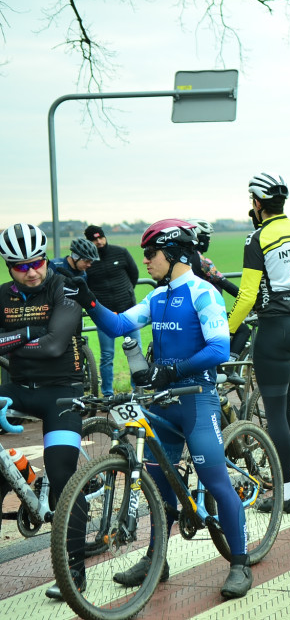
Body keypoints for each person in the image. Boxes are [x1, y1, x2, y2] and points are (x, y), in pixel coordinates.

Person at [69, 219, 251, 597]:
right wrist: (86, 296)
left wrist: (173, 370)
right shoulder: (158, 296)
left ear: (172, 255)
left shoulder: (204, 293)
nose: (146, 261)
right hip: (164, 404)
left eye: (150, 254)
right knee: (157, 482)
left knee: (217, 481)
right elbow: (119, 325)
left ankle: (240, 563)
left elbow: (219, 349)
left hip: (196, 401)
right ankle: (157, 558)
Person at [0, 223, 88, 600]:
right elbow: (42, 338)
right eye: (21, 266)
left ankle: (73, 568)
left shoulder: (64, 287)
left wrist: (11, 340)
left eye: (36, 261)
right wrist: (32, 332)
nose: (32, 270)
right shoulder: (3, 296)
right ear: (8, 266)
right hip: (18, 390)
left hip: (62, 393)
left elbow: (54, 346)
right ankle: (20, 474)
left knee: (63, 473)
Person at [227, 173, 290, 514]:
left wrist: (227, 330)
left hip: (275, 328)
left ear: (258, 203)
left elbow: (247, 294)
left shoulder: (257, 238)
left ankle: (285, 494)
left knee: (276, 413)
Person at [83, 224, 141, 396]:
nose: (99, 241)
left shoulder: (121, 252)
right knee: (107, 356)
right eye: (94, 239)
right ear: (89, 241)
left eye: (101, 237)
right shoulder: (88, 261)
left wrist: (127, 292)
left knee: (135, 353)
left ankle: (137, 391)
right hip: (105, 316)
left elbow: (134, 274)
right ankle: (107, 394)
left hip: (128, 312)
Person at [185, 218, 240, 298]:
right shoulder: (203, 262)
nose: (209, 241)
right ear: (201, 239)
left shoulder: (177, 256)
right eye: (208, 238)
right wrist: (248, 300)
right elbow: (225, 283)